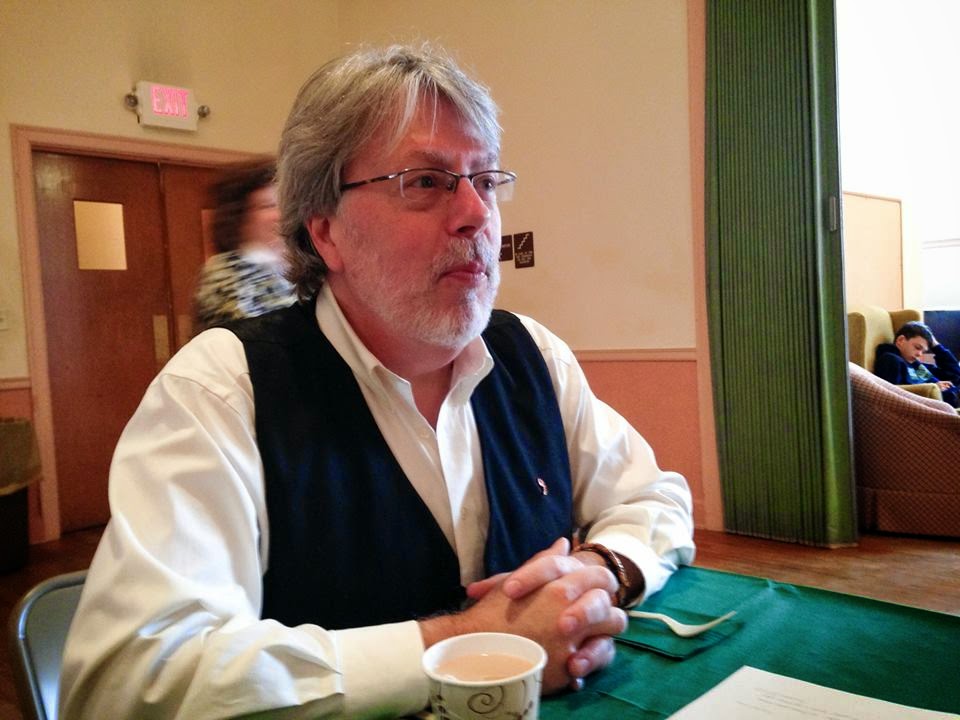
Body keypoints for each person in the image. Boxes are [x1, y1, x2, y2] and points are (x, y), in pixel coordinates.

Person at [60, 44, 695, 719]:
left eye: (485, 179)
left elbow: (653, 496)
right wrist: (461, 645)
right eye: (425, 181)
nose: (477, 214)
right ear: (326, 232)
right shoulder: (222, 390)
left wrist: (599, 572)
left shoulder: (532, 355)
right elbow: (130, 682)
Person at [192, 159, 295, 333]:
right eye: (267, 206)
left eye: (284, 204)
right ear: (241, 217)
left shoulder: (301, 265)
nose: (279, 215)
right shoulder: (225, 273)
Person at [874, 320, 960, 407]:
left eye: (923, 351)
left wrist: (936, 346)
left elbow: (955, 376)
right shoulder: (891, 360)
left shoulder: (916, 365)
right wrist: (933, 388)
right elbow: (892, 395)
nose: (919, 354)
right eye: (918, 347)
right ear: (901, 340)